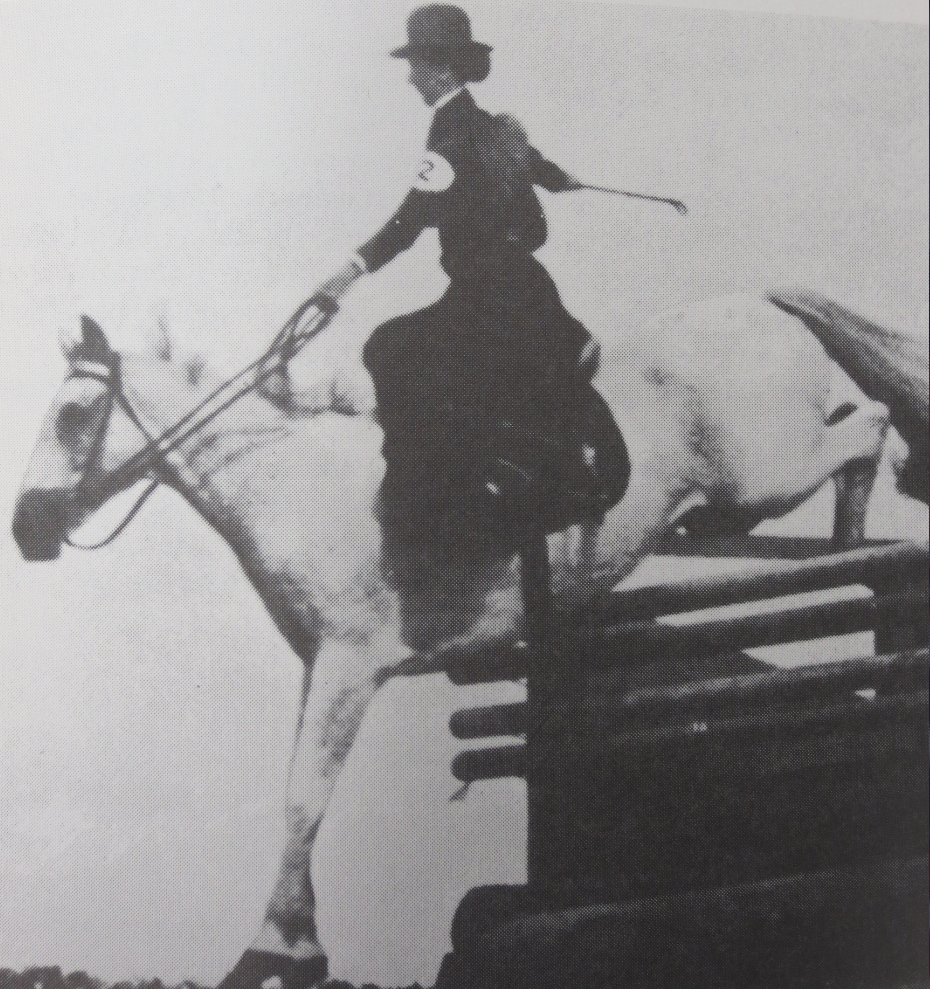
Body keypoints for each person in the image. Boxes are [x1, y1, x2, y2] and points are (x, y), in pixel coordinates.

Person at [294, 4, 625, 535]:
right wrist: (560, 177)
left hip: (489, 293)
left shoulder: (449, 128)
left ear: (442, 68)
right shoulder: (495, 127)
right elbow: (538, 167)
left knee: (388, 347)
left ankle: (417, 492)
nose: (410, 77)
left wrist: (349, 272)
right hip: (521, 288)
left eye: (417, 65)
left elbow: (412, 216)